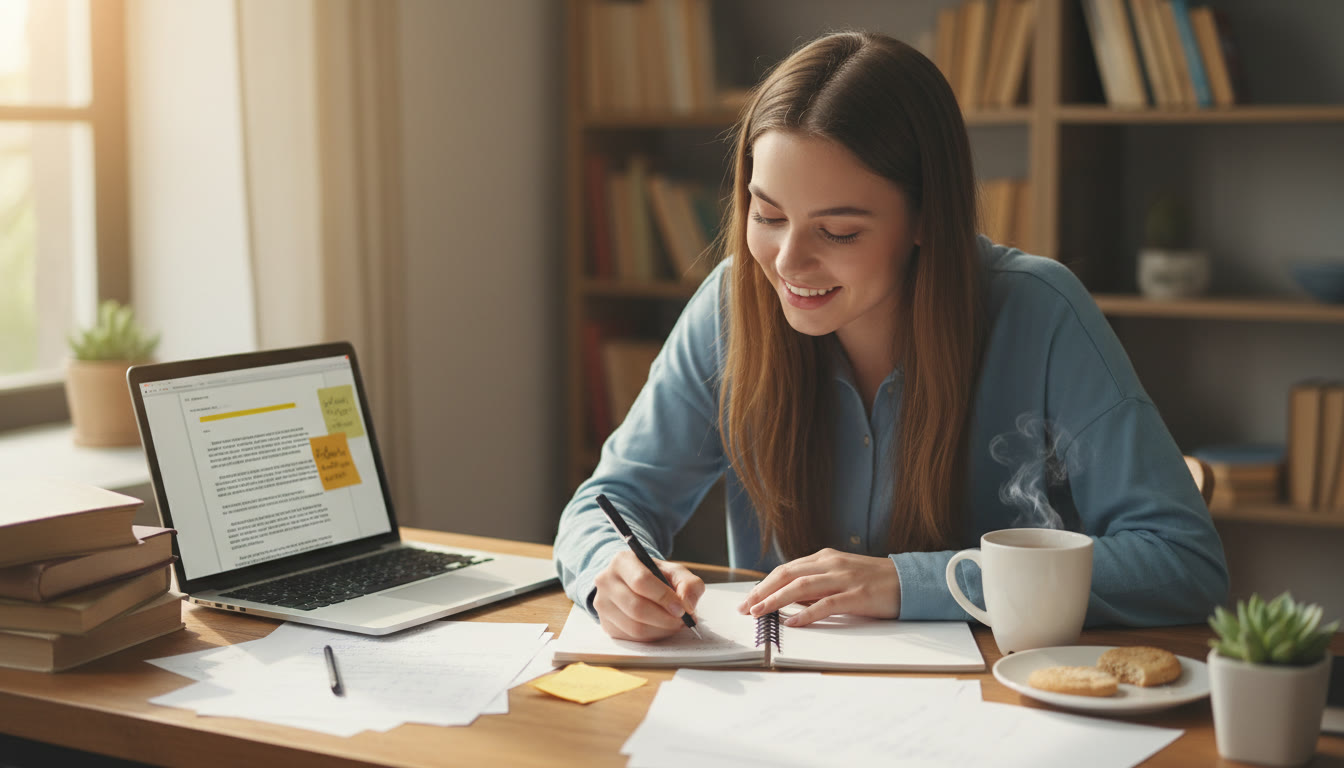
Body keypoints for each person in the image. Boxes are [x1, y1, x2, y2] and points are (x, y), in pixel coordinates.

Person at [554, 30, 1228, 642]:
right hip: (781, 713)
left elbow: (1181, 561)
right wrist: (608, 571)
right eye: (768, 215)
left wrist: (913, 582)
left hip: (998, 713)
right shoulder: (733, 306)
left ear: (928, 217)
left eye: (838, 232)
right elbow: (610, 503)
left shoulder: (1040, 312)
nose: (787, 262)